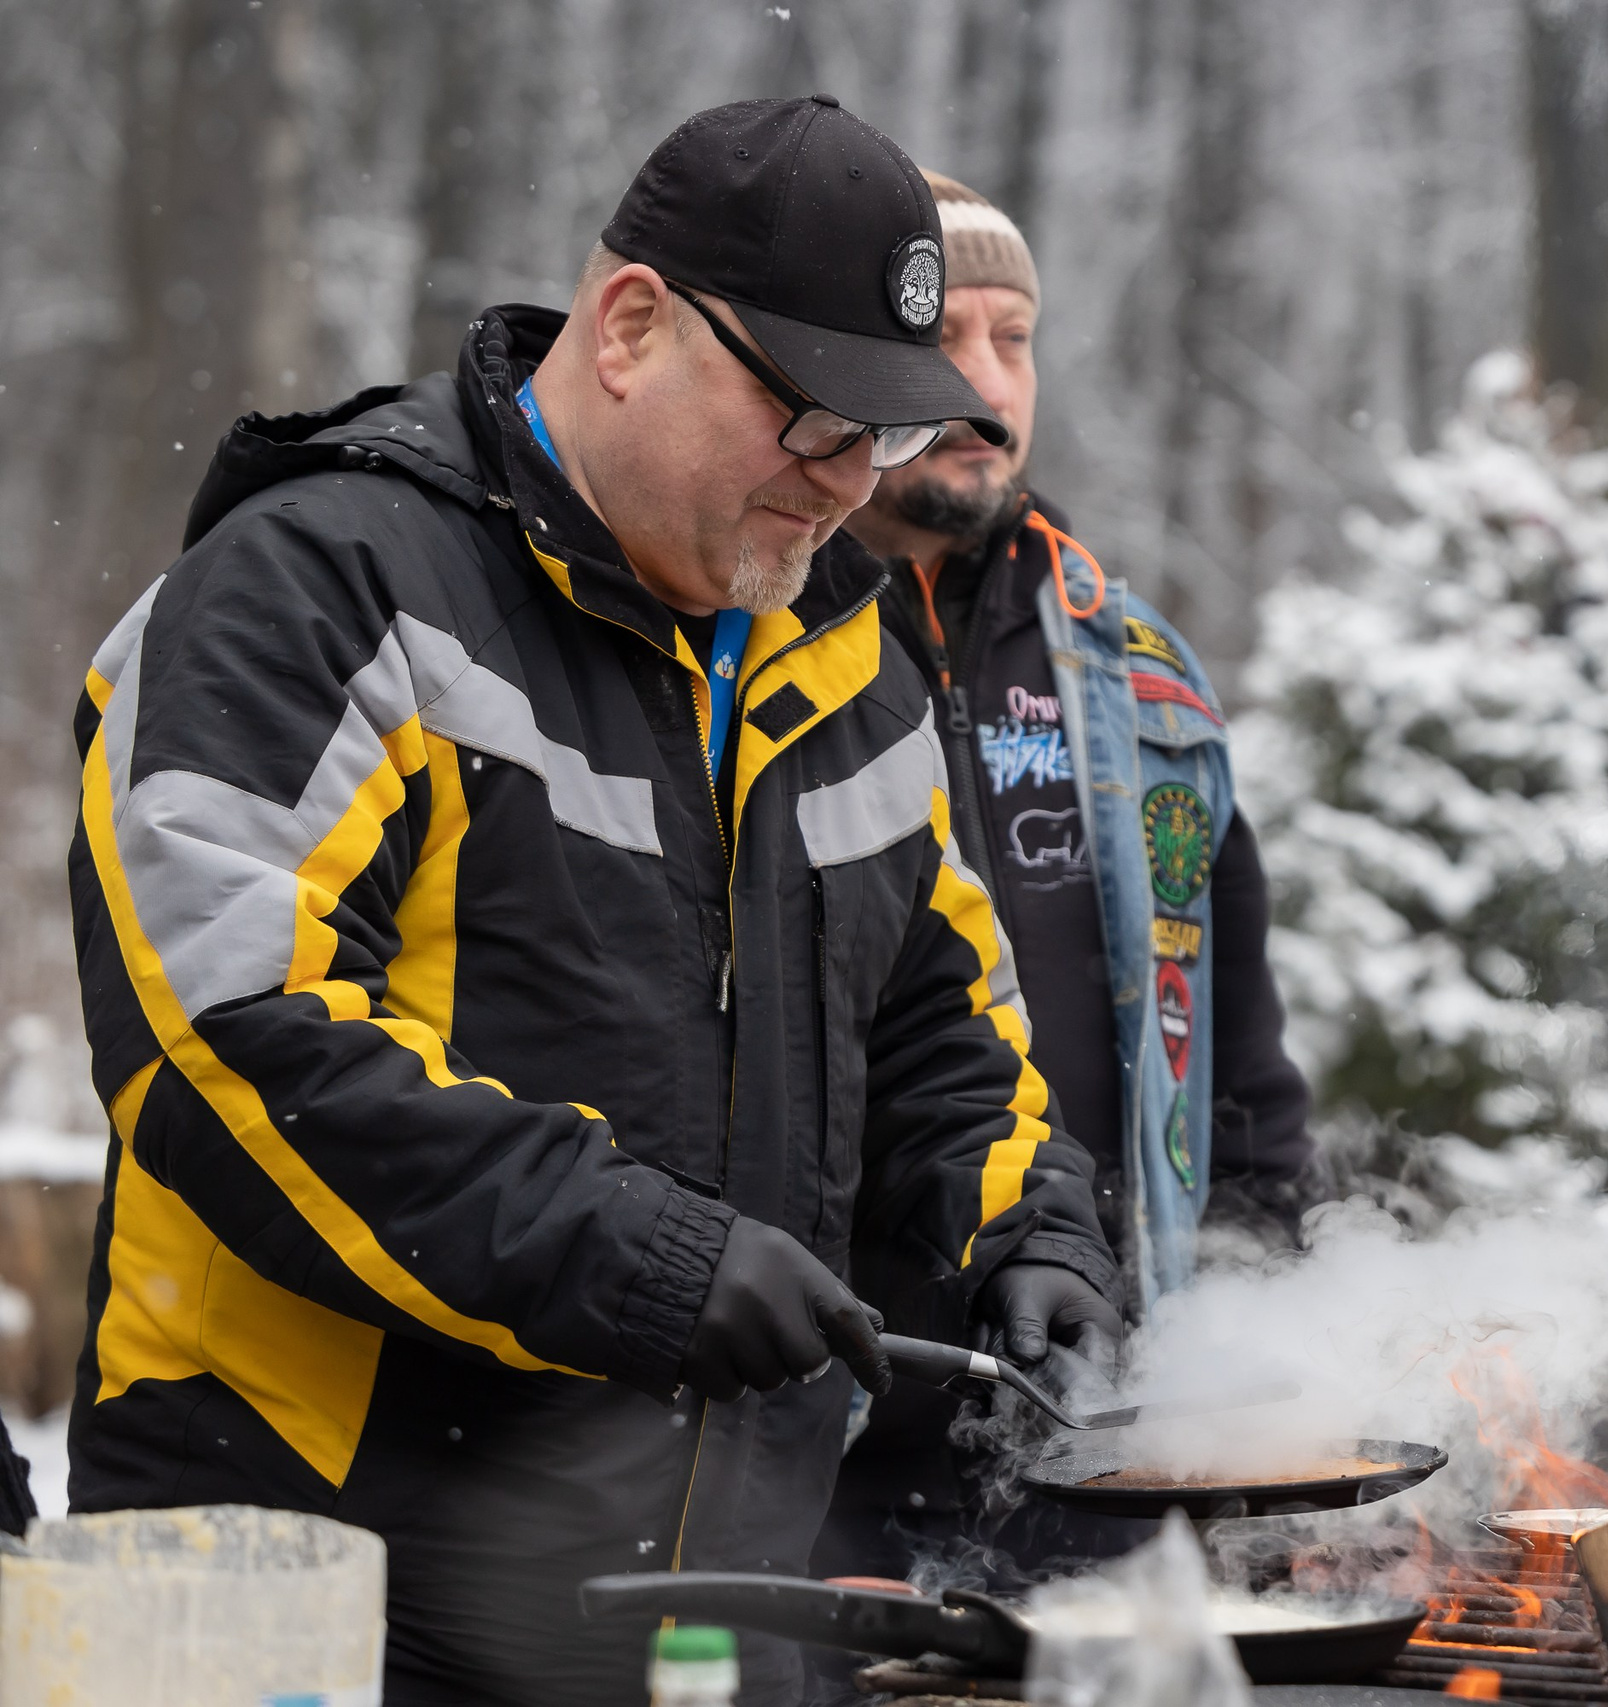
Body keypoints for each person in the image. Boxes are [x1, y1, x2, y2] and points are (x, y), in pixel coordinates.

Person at [64, 97, 1117, 1707]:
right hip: (294, 1592)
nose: (851, 485)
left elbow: (943, 1032)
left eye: (889, 437)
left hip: (689, 1611)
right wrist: (641, 1259)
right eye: (816, 420)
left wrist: (1028, 1233)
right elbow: (226, 1040)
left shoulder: (848, 665)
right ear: (630, 328)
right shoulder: (319, 583)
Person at [810, 171, 1323, 1586]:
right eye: (942, 339)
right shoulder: (741, 642)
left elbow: (1239, 1078)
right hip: (810, 1437)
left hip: (1098, 1433)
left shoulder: (1141, 675)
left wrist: (1263, 1339)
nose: (987, 384)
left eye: (1015, 338)